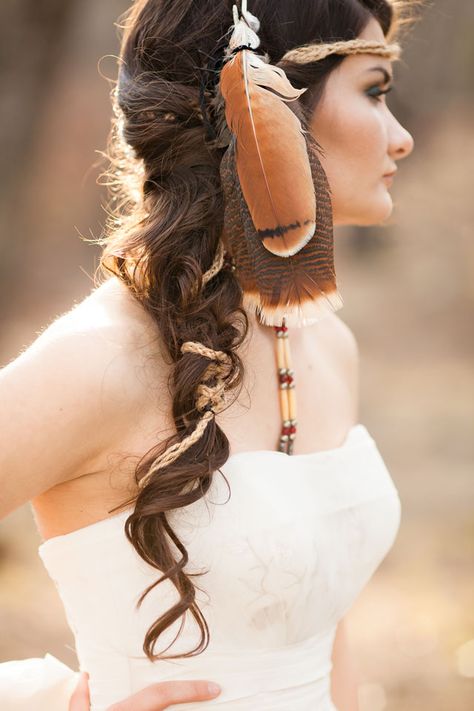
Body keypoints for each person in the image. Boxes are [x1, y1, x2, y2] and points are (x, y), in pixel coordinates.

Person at [0, 0, 415, 709]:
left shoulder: (326, 344)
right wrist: (47, 701)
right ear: (267, 104)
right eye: (375, 91)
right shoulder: (100, 359)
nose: (402, 138)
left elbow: (322, 631)